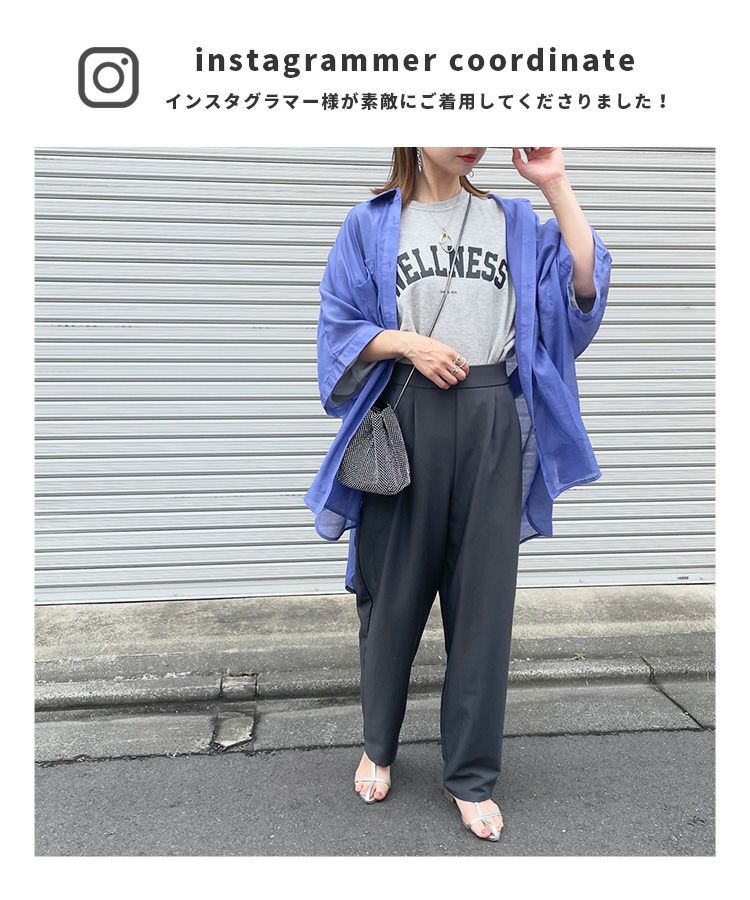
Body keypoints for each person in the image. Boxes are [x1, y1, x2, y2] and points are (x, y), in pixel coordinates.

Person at [304, 147, 612, 842]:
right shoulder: (370, 223)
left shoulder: (513, 220)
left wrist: (555, 182)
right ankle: (378, 743)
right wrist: (406, 343)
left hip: (489, 416)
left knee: (484, 603)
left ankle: (471, 775)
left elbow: (582, 286)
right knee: (391, 591)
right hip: (405, 413)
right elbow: (338, 326)